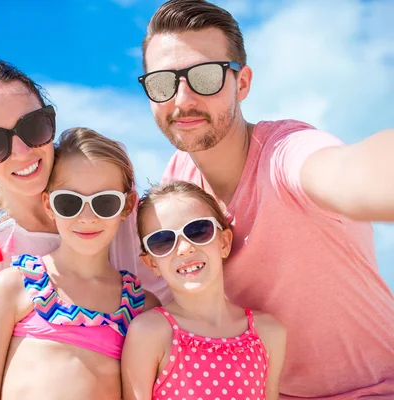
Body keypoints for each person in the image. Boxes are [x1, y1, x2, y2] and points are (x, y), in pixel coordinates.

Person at [138, 1, 394, 398]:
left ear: (242, 83)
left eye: (205, 76)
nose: (182, 99)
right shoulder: (179, 182)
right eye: (162, 82)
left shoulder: (286, 153)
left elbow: (352, 172)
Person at [0, 60, 169, 399]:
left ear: (49, 121)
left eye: (32, 127)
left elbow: (166, 306)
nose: (21, 152)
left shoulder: (115, 204)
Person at [0, 127, 160, 400]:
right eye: (69, 202)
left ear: (127, 207)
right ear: (49, 205)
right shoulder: (14, 286)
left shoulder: (142, 307)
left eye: (104, 202)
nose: (87, 217)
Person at [122, 180, 286, 400]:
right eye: (162, 241)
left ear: (224, 242)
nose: (184, 248)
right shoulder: (150, 333)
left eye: (198, 231)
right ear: (152, 264)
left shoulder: (269, 333)